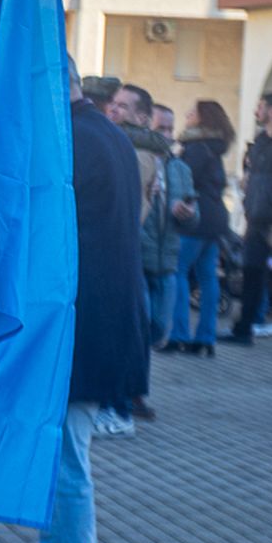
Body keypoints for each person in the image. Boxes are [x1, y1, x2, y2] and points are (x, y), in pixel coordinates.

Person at [0, 58, 148, 543]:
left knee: (64, 467)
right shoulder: (104, 132)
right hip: (99, 328)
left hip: (81, 334)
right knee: (65, 462)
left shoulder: (70, 143)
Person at [97, 83, 168, 430]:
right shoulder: (126, 145)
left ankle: (119, 408)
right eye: (113, 103)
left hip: (119, 254)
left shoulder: (135, 152)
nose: (113, 109)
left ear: (142, 117)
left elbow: (126, 210)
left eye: (123, 106)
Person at [167, 100, 235, 354]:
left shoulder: (195, 148)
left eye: (192, 113)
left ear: (203, 119)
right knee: (208, 277)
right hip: (216, 218)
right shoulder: (215, 148)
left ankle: (178, 334)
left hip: (196, 218)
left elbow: (184, 180)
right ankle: (206, 338)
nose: (187, 115)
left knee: (178, 271)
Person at [140, 104, 196, 347]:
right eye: (160, 128)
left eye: (170, 129)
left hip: (168, 265)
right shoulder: (136, 160)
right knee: (139, 332)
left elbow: (194, 216)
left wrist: (188, 213)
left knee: (159, 331)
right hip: (140, 262)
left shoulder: (181, 168)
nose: (167, 134)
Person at [230, 93, 272, 344]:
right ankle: (243, 329)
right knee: (251, 272)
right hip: (255, 217)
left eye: (260, 107)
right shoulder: (260, 142)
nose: (256, 111)